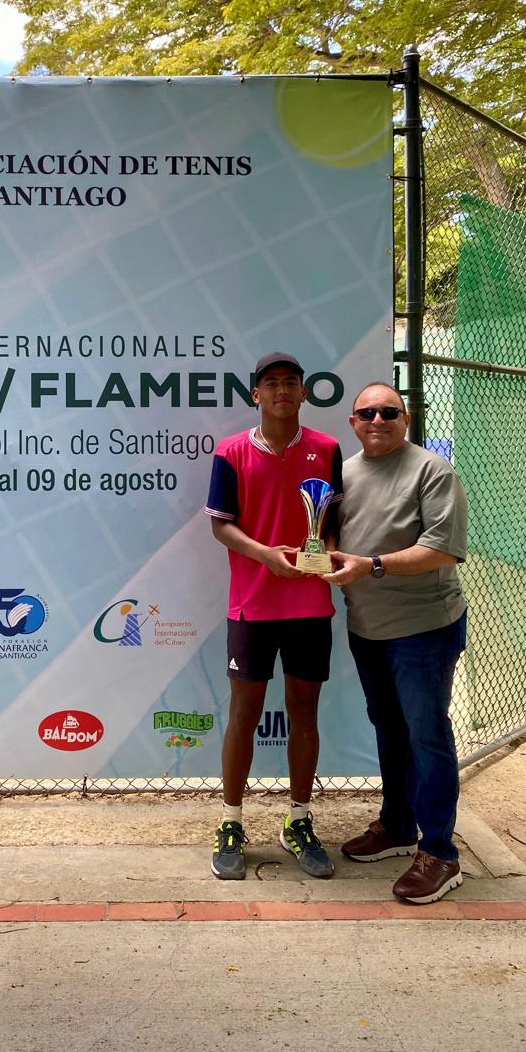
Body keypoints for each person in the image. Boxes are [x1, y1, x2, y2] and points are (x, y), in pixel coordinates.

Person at [324, 381, 468, 905]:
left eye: (389, 412)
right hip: (368, 629)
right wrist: (325, 553)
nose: (378, 420)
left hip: (424, 629)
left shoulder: (432, 471)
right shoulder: (344, 475)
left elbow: (442, 549)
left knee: (427, 734)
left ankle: (440, 852)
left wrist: (372, 565)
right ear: (353, 423)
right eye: (367, 413)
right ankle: (398, 824)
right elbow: (332, 532)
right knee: (389, 727)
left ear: (405, 419)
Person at [206, 352, 342, 880]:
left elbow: (333, 524)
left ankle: (299, 821)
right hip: (252, 605)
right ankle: (231, 822)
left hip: (309, 604)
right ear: (255, 395)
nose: (281, 390)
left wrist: (325, 555)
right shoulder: (231, 451)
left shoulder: (327, 449)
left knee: (304, 711)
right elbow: (221, 525)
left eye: (290, 382)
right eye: (271, 383)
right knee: (244, 713)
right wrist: (264, 554)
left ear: (304, 393)